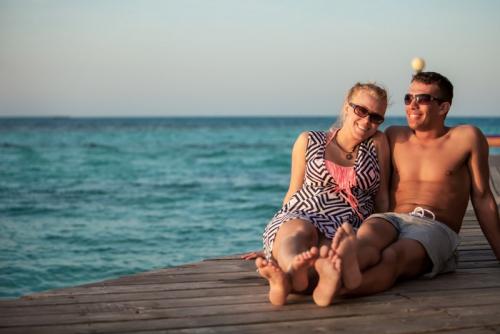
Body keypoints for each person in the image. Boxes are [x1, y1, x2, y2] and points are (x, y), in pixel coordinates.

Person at [315, 71, 500, 307]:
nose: (412, 105)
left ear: (443, 107)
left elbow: (483, 199)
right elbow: (351, 159)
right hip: (391, 218)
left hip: (434, 226)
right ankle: (312, 277)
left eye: (422, 99)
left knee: (393, 257)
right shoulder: (394, 136)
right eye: (408, 98)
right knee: (365, 243)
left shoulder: (466, 138)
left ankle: (338, 289)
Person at [252, 82, 391, 305]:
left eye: (376, 117)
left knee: (328, 252)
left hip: (346, 223)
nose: (367, 121)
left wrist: (388, 229)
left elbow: (382, 197)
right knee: (297, 232)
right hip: (303, 211)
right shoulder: (308, 140)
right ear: (347, 107)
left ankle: (295, 282)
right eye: (361, 110)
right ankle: (289, 271)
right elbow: (293, 192)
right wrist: (273, 242)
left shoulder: (377, 143)